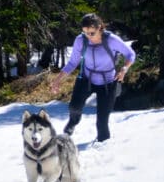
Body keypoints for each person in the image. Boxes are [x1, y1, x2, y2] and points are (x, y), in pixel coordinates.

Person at [49, 13, 136, 142]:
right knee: (74, 107)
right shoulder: (81, 40)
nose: (88, 36)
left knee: (102, 123)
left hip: (108, 82)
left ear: (99, 28)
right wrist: (57, 80)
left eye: (91, 33)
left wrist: (124, 68)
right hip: (86, 79)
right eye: (85, 33)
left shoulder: (111, 40)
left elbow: (130, 54)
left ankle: (103, 147)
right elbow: (73, 62)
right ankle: (73, 122)